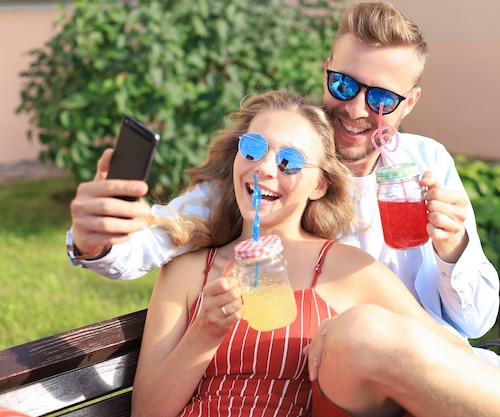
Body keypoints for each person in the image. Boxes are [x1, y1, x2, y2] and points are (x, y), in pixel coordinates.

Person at [67, 2, 499, 343]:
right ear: (327, 70)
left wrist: (453, 248)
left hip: (437, 360)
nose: (356, 109)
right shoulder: (275, 168)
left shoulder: (429, 162)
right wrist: (96, 239)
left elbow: (476, 321)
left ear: (411, 102)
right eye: (344, 84)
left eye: (382, 98)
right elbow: (158, 238)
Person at [130, 90, 472, 416]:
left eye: (289, 161)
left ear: (319, 185)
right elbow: (146, 411)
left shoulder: (349, 271)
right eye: (253, 148)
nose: (264, 168)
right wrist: (203, 334)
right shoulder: (189, 272)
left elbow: (451, 353)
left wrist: (350, 347)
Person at [306, 305, 500, 417]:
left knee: (363, 330)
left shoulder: (341, 262)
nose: (267, 169)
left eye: (289, 165)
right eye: (256, 163)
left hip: (344, 392)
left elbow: (453, 341)